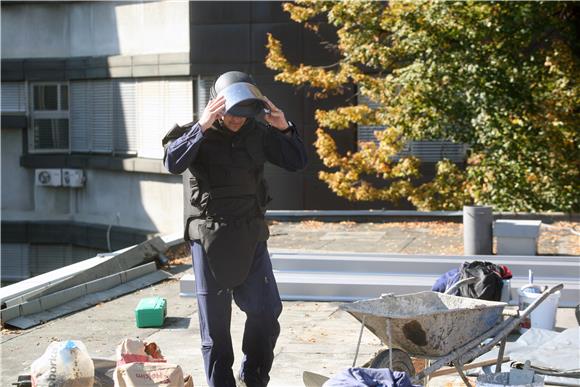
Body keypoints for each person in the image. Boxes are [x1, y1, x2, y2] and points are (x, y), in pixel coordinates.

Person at [162, 71, 307, 387]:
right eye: (230, 113)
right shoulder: (195, 133)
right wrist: (200, 127)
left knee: (266, 312)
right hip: (209, 238)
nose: (236, 120)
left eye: (243, 114)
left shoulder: (258, 132)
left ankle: (253, 376)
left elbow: (297, 161)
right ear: (216, 105)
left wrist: (284, 127)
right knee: (215, 327)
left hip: (250, 233)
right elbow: (172, 163)